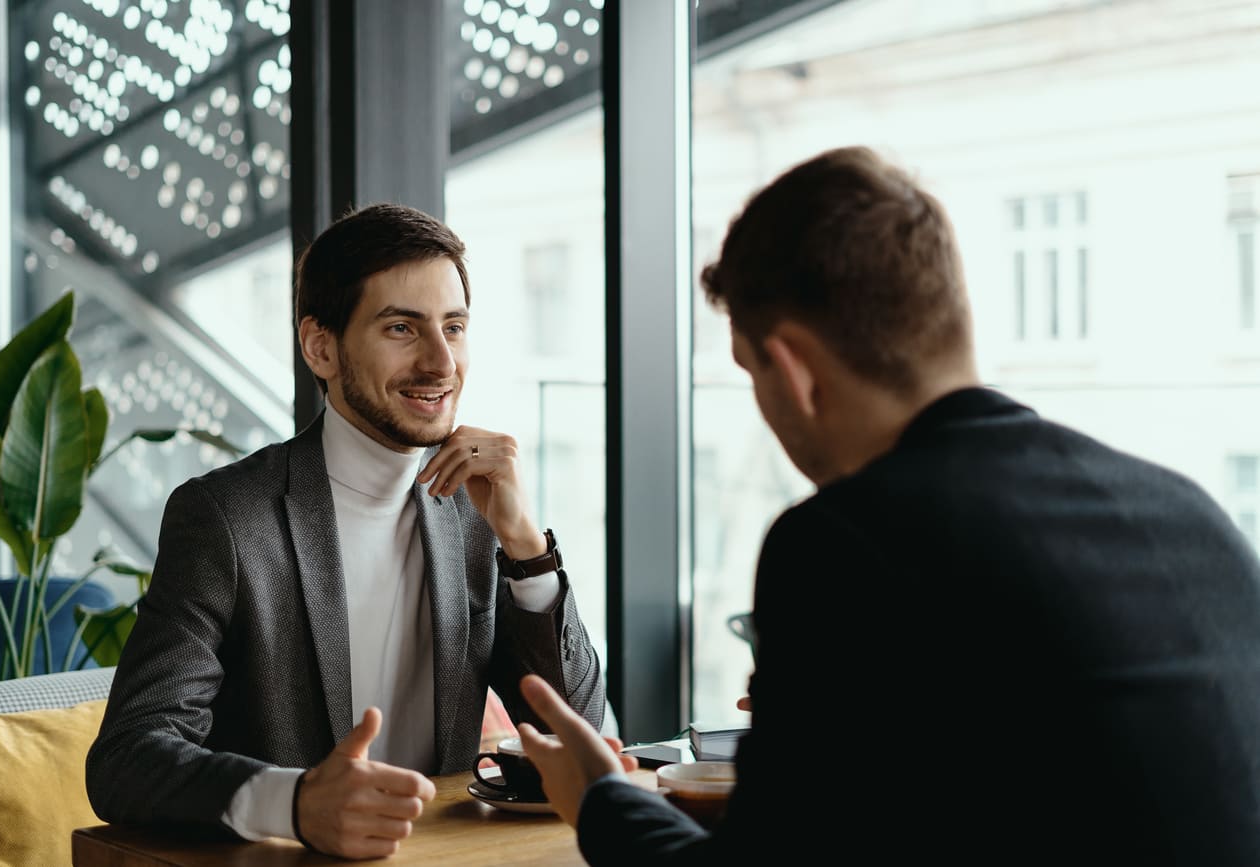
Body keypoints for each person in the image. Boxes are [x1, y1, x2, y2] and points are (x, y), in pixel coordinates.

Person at [515, 146, 1260, 865]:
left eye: (751, 372)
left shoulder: (841, 541)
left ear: (793, 368)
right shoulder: (1194, 517)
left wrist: (602, 798)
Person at [86, 204, 606, 860]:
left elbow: (581, 740)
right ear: (321, 347)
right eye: (401, 328)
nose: (441, 362)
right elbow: (127, 757)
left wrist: (526, 545)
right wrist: (297, 802)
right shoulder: (225, 518)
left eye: (454, 327)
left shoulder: (479, 513)